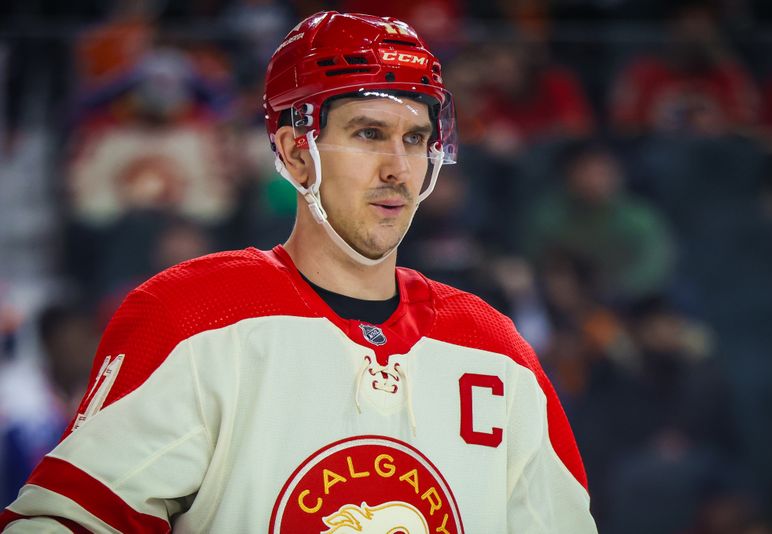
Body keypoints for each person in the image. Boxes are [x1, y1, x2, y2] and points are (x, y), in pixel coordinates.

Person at [1, 12, 596, 533]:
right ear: (293, 151)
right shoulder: (193, 317)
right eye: (369, 134)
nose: (399, 168)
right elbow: (70, 524)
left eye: (416, 139)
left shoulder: (495, 350)